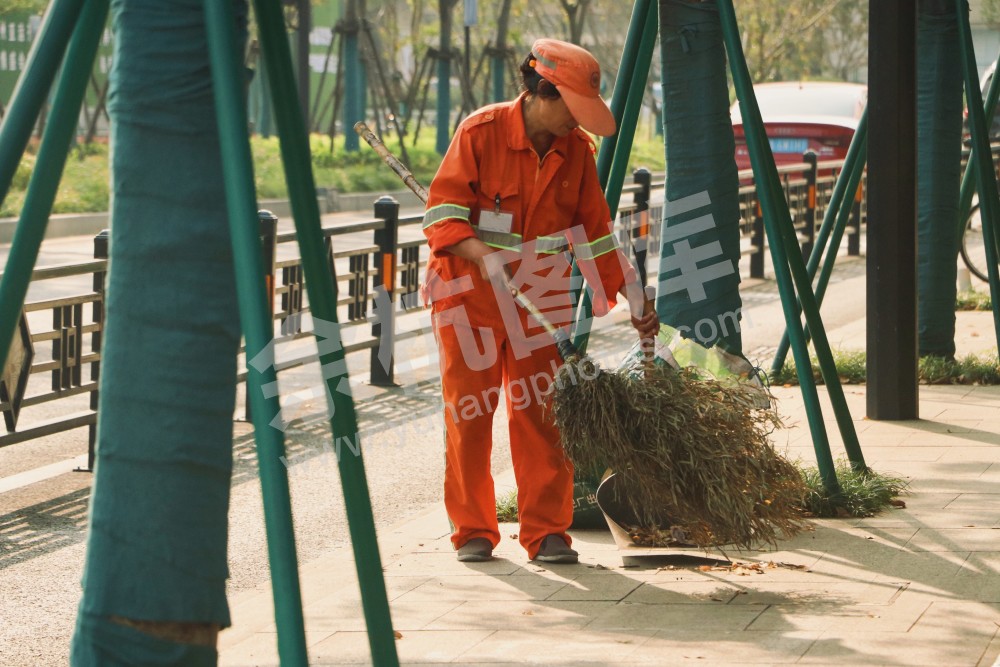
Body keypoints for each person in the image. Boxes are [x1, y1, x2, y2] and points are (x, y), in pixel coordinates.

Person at [422, 38, 659, 564]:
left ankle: (548, 531)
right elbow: (441, 215)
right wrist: (483, 256)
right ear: (540, 92)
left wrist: (635, 293)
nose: (578, 124)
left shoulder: (576, 152)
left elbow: (595, 234)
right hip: (468, 302)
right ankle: (474, 531)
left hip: (539, 302)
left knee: (542, 415)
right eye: (572, 111)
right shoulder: (479, 134)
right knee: (470, 415)